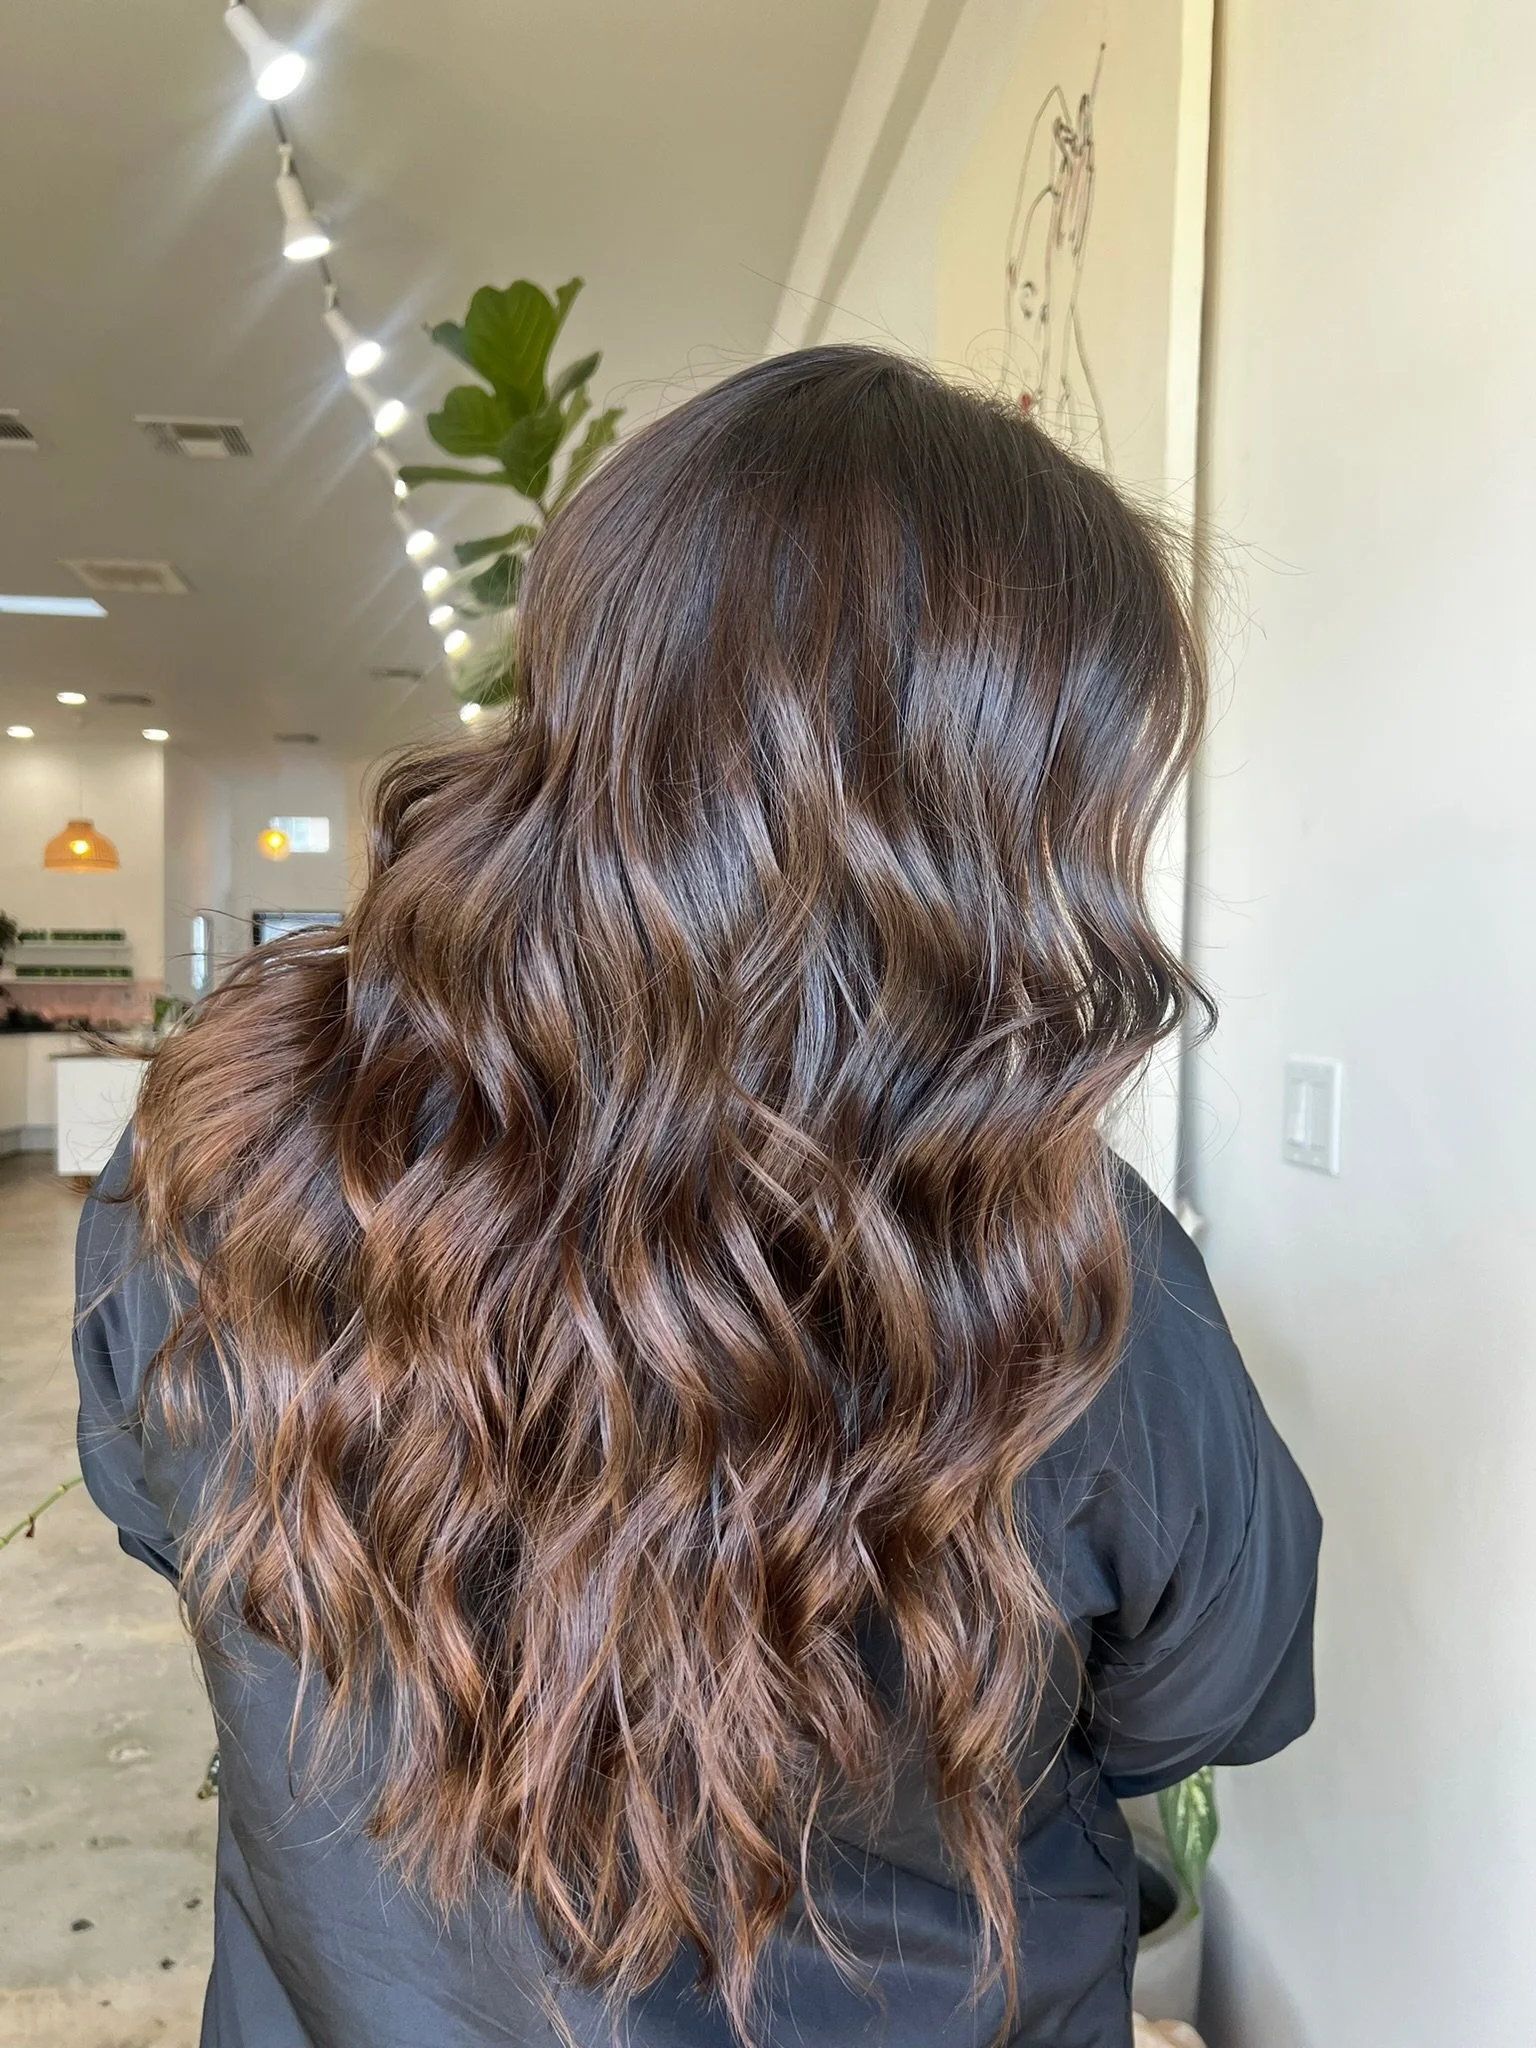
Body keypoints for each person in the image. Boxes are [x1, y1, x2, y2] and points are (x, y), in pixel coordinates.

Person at [74, 346, 1320, 2048]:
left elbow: (173, 1518)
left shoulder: (228, 1168)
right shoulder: (1078, 1287)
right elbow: (1208, 1696)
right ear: (1013, 822)